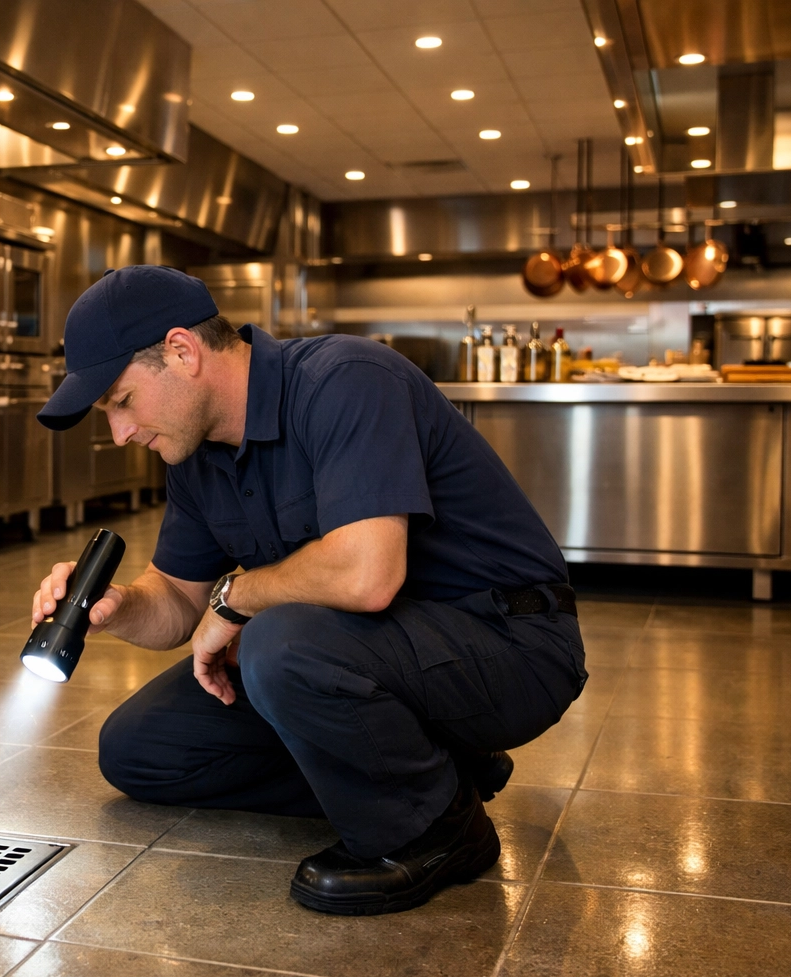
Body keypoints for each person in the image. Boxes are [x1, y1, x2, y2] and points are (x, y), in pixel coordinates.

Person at [29, 265, 587, 916]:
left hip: (508, 645)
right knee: (141, 751)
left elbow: (366, 575)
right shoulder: (194, 451)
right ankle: (434, 771)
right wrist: (117, 608)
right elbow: (179, 601)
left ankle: (435, 829)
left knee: (277, 640)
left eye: (121, 402)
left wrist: (236, 596)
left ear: (182, 353)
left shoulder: (347, 379)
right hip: (372, 659)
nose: (120, 433)